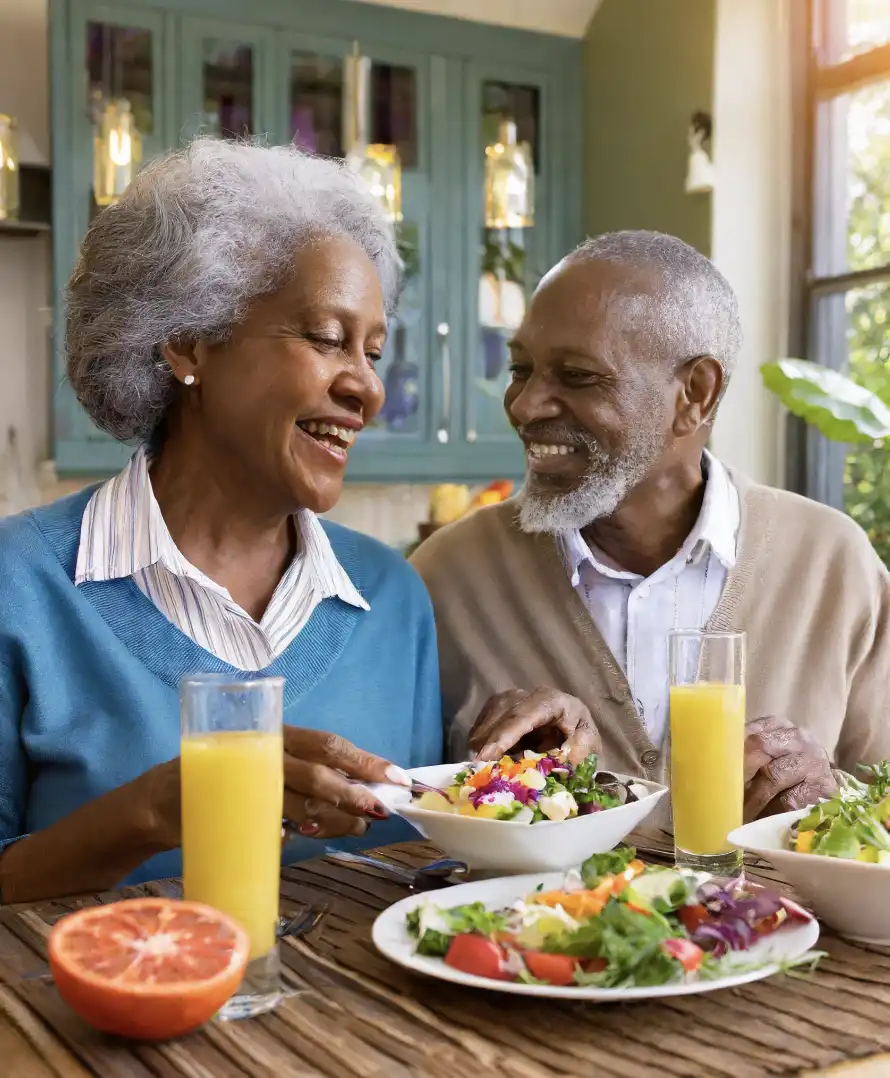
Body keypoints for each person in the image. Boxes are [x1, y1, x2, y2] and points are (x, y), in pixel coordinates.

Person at [0, 139, 442, 903]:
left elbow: (434, 868)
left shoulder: (393, 600)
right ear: (188, 341)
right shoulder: (20, 589)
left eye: (372, 351)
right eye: (325, 338)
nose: (366, 389)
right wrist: (157, 809)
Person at [411, 230, 890, 821]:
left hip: (776, 918)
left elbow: (881, 805)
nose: (525, 406)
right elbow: (396, 819)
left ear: (696, 393)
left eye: (579, 376)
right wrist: (496, 780)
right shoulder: (445, 577)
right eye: (521, 369)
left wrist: (831, 795)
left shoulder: (834, 564)